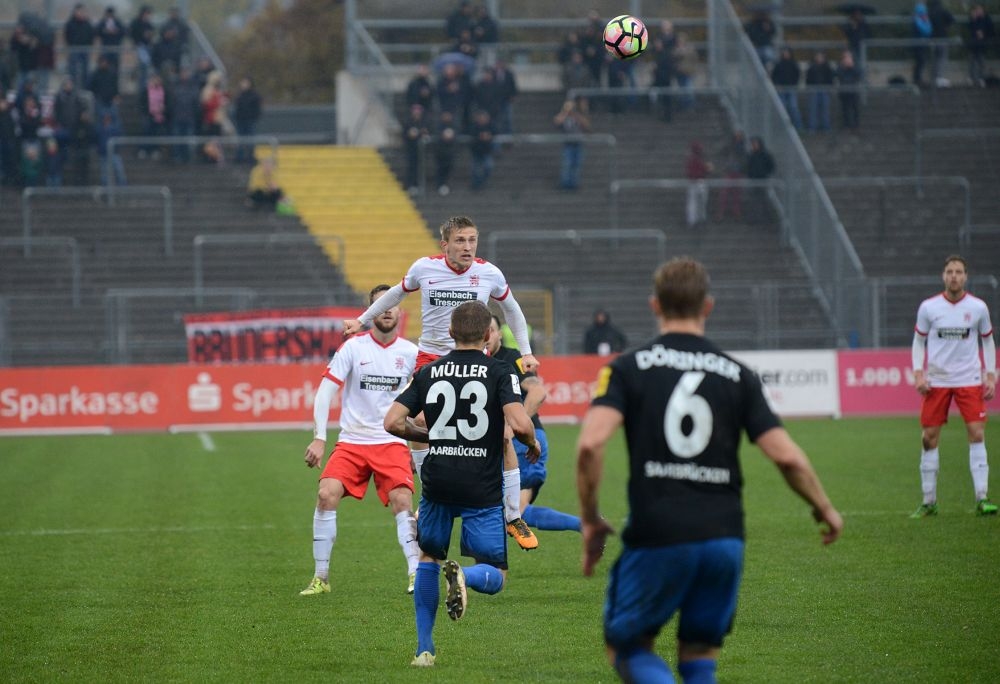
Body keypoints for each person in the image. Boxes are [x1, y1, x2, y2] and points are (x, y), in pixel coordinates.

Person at [576, 257, 843, 684]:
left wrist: (590, 518)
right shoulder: (739, 375)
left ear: (655, 305)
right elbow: (787, 456)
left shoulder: (627, 368)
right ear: (708, 307)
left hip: (658, 533)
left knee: (627, 647)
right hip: (724, 539)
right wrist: (824, 507)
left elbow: (590, 444)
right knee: (700, 657)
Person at [341, 215, 541, 550]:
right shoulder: (424, 268)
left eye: (472, 240)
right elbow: (394, 294)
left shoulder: (489, 273)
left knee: (503, 434)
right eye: (460, 241)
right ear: (444, 244)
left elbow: (513, 311)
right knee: (416, 423)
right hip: (432, 359)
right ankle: (430, 491)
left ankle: (512, 516)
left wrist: (526, 352)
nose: (467, 247)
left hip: (476, 358)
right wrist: (361, 321)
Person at [383, 300, 541, 668]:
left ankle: (424, 649)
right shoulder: (499, 371)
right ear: (489, 334)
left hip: (438, 481)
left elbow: (392, 422)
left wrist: (427, 433)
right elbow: (519, 423)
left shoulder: (430, 372)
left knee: (427, 557)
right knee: (497, 575)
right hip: (480, 485)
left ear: (450, 333)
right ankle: (466, 576)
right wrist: (531, 442)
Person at [300, 284, 420, 596]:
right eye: (381, 306)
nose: (388, 310)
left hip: (391, 441)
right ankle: (321, 578)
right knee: (326, 494)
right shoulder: (353, 348)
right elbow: (326, 390)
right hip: (352, 442)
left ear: (399, 311)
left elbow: (425, 400)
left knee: (403, 501)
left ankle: (415, 573)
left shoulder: (410, 353)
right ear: (370, 313)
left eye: (392, 305)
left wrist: (419, 441)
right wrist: (319, 438)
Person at [910, 255, 997, 518]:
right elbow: (918, 342)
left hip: (969, 379)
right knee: (929, 438)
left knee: (977, 434)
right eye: (950, 272)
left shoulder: (978, 307)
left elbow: (988, 342)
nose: (954, 276)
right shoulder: (929, 307)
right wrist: (918, 374)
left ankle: (982, 498)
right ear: (943, 276)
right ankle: (929, 501)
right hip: (937, 380)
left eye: (959, 272)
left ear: (966, 276)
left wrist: (990, 375)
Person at [487, 315, 580, 535]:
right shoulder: (478, 362)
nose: (486, 335)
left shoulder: (514, 359)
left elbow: (538, 391)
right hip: (500, 444)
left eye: (491, 330)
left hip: (524, 441)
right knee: (510, 514)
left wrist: (514, 425)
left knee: (512, 517)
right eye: (482, 330)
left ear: (500, 333)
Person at [553, 98, 590, 191]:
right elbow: (557, 121)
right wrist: (565, 112)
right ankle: (565, 183)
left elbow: (587, 125)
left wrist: (576, 114)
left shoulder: (579, 116)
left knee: (576, 164)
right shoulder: (565, 117)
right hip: (568, 144)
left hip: (578, 143)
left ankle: (574, 183)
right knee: (567, 164)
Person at [771, 47, 803, 131]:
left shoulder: (794, 64)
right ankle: (782, 128)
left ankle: (798, 127)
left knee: (793, 107)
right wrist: (777, 85)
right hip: (781, 89)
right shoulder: (779, 64)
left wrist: (794, 85)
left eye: (787, 53)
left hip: (791, 88)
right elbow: (774, 76)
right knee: (782, 108)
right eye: (784, 53)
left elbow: (797, 75)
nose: (786, 55)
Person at [232, 77, 262, 164]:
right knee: (240, 139)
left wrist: (253, 117)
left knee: (250, 139)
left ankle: (250, 156)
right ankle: (239, 157)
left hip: (250, 121)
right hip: (240, 121)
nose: (243, 85)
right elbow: (237, 108)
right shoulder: (240, 95)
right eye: (242, 83)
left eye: (245, 83)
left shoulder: (255, 95)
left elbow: (257, 109)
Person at [746, 136, 775, 225]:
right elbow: (748, 167)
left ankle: (768, 219)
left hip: (763, 181)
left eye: (755, 143)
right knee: (754, 201)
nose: (754, 145)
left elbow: (771, 166)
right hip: (754, 181)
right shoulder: (751, 155)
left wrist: (765, 174)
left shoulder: (766, 155)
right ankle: (754, 219)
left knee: (764, 200)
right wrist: (750, 175)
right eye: (753, 144)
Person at [966, 4, 995, 87]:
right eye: (977, 10)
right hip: (973, 44)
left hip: (982, 44)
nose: (978, 11)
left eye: (980, 10)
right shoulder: (973, 19)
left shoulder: (987, 19)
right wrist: (973, 19)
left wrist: (984, 34)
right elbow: (970, 29)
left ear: (983, 10)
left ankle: (981, 78)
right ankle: (971, 78)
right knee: (972, 62)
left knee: (981, 61)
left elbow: (992, 31)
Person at [805, 51, 834, 133]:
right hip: (814, 89)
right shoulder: (811, 67)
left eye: (821, 57)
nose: (819, 58)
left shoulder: (827, 67)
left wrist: (829, 88)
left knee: (825, 109)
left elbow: (830, 78)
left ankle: (826, 127)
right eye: (818, 56)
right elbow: (808, 79)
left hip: (824, 89)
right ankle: (812, 127)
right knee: (813, 109)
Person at [684, 141, 712, 229]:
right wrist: (708, 169)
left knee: (692, 203)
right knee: (701, 203)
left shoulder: (690, 160)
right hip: (700, 182)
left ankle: (692, 221)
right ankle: (700, 220)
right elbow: (705, 170)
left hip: (692, 183)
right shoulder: (699, 160)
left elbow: (688, 172)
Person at [836, 51, 862, 131]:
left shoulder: (855, 66)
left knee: (855, 108)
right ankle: (846, 124)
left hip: (853, 91)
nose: (847, 59)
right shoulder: (840, 67)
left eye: (848, 57)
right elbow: (839, 75)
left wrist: (852, 67)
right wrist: (844, 67)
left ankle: (856, 125)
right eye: (845, 57)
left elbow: (859, 75)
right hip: (844, 91)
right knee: (845, 109)